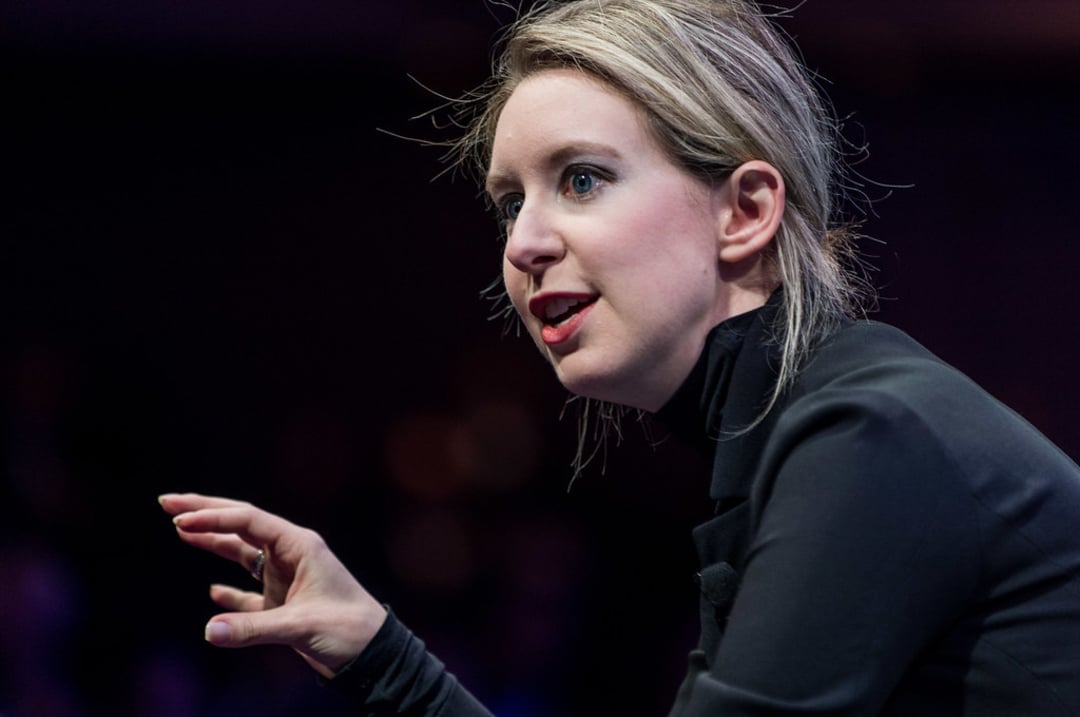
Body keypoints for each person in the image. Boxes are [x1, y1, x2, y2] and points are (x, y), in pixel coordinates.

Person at [159, 0, 1080, 714]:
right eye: (509, 201)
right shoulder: (803, 437)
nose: (522, 243)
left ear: (745, 210)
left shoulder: (869, 436)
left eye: (582, 179)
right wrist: (375, 648)